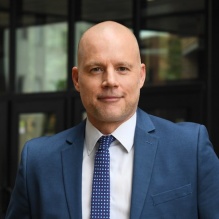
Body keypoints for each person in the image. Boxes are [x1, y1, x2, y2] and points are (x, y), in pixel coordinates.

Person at [5, 21, 219, 219]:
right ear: (77, 79)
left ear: (141, 75)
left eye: (122, 68)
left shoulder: (190, 149)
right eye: (96, 69)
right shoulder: (38, 161)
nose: (110, 81)